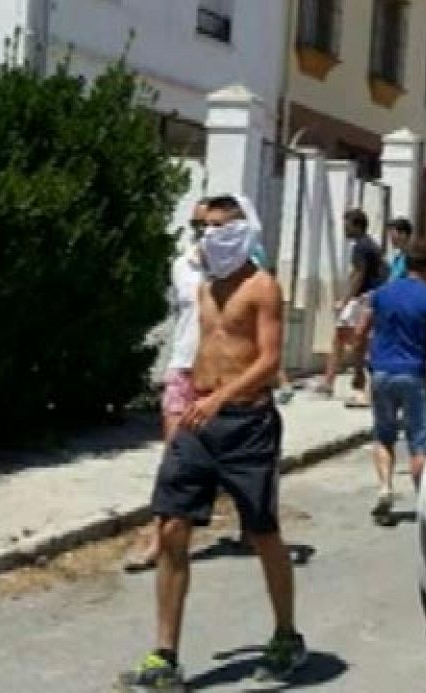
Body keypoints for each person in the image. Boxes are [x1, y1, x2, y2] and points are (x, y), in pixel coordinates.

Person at [121, 196, 305, 689]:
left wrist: (220, 399)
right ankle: (165, 655)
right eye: (204, 227)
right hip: (197, 421)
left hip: (246, 424)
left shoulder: (263, 288)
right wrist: (188, 398)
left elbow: (268, 360)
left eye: (218, 226)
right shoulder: (204, 288)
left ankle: (287, 635)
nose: (209, 235)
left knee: (263, 532)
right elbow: (201, 345)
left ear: (241, 231)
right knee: (173, 528)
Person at [125, 202, 209, 572]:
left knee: (233, 464)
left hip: (221, 378)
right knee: (173, 460)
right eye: (196, 224)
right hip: (183, 370)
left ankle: (256, 522)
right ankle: (160, 539)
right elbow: (180, 316)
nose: (201, 231)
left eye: (208, 224)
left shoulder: (240, 269)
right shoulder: (181, 266)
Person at [354, 241, 426, 526]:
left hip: (381, 372)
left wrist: (358, 369)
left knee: (383, 435)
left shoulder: (381, 295)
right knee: (419, 442)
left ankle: (385, 488)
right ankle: (421, 499)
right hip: (413, 374)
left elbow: (361, 330)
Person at [318, 209, 385, 406]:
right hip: (369, 297)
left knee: (349, 339)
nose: (344, 229)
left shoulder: (361, 246)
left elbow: (359, 274)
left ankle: (351, 383)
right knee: (355, 341)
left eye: (346, 225)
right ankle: (337, 382)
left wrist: (345, 300)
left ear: (356, 225)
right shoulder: (369, 245)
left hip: (362, 299)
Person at [385, 217, 413, 282]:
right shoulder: (397, 258)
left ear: (403, 235)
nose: (391, 239)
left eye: (393, 235)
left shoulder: (411, 258)